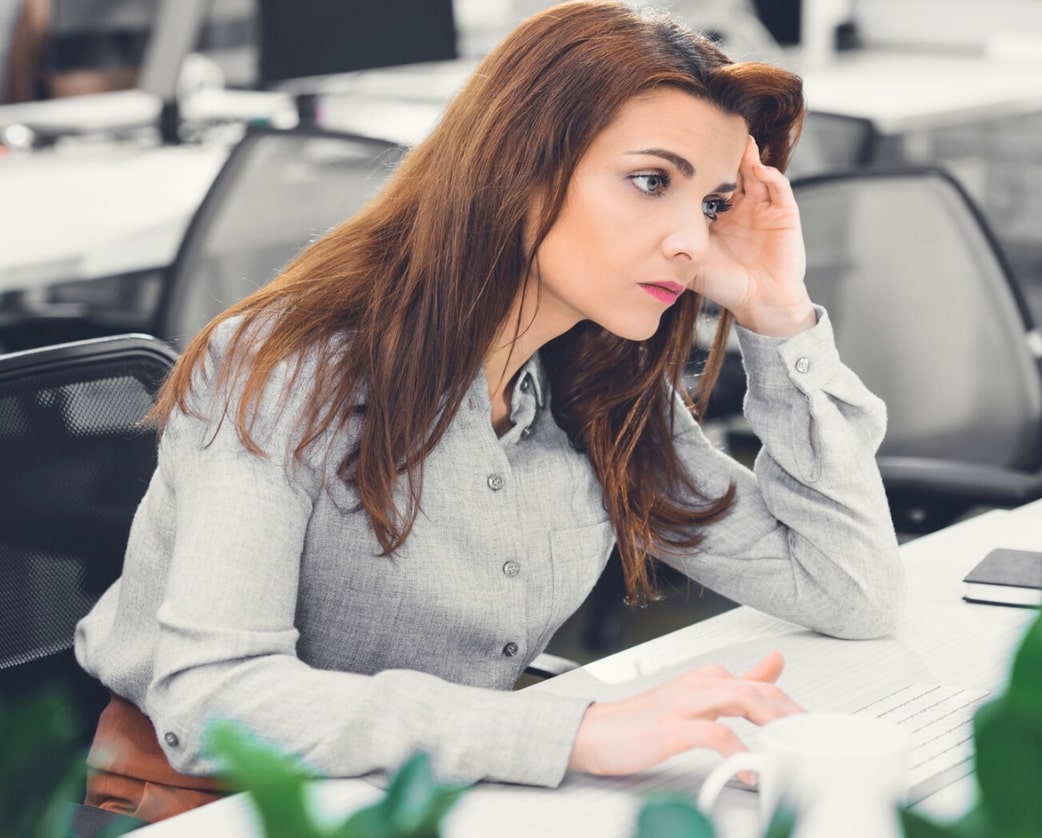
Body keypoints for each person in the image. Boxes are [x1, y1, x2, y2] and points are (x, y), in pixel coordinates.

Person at [74, 0, 905, 822]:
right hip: (219, 806)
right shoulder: (290, 366)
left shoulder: (601, 385)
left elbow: (848, 588)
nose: (691, 239)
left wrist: (776, 313)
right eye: (652, 181)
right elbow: (213, 700)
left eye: (712, 204)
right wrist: (568, 733)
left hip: (448, 799)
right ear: (521, 166)